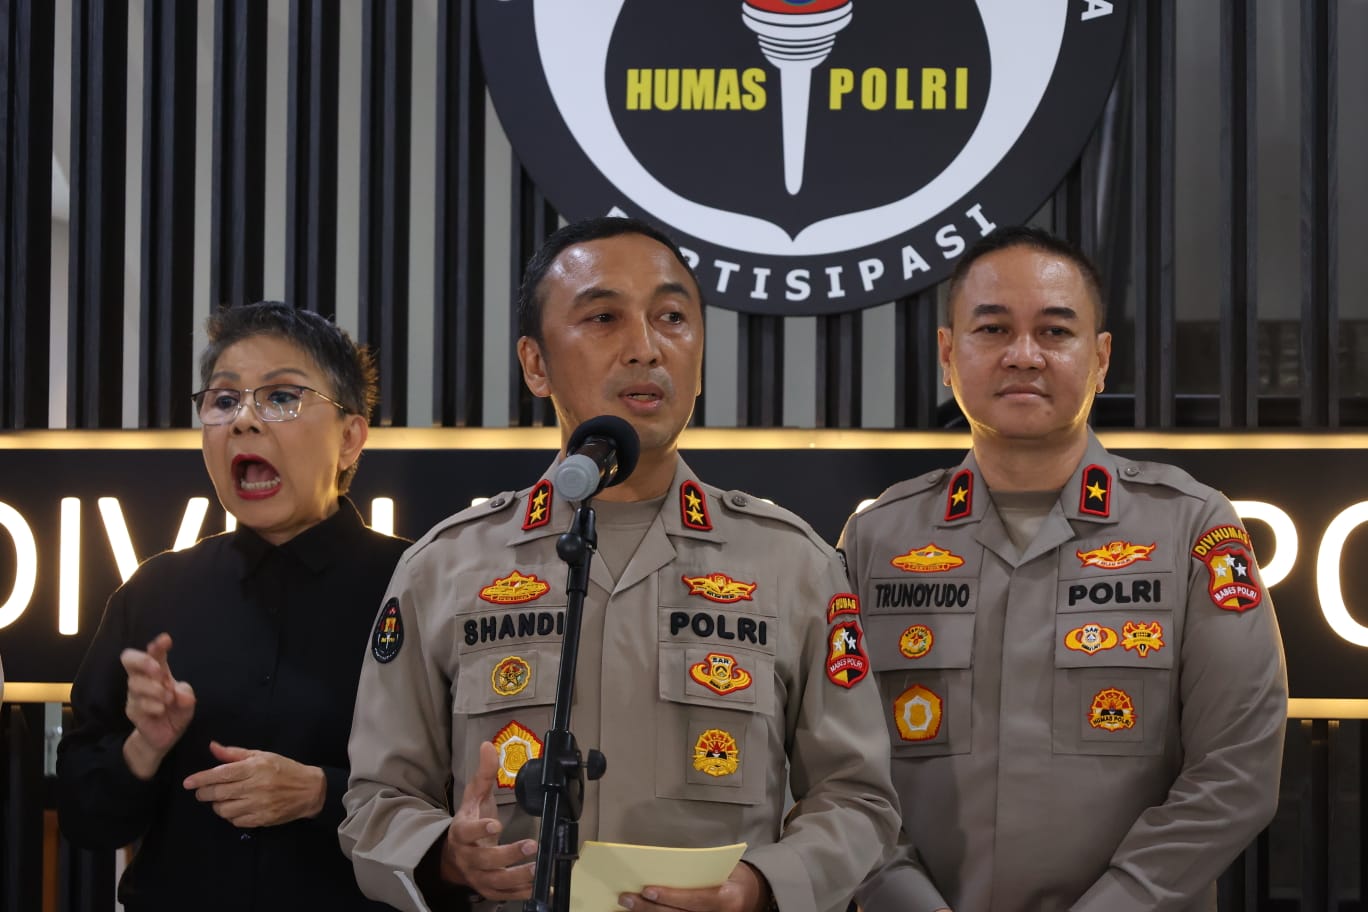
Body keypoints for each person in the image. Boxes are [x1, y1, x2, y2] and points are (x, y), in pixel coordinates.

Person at [341, 217, 900, 912]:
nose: (645, 348)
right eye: (604, 318)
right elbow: (376, 800)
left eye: (672, 318)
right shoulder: (444, 568)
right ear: (535, 363)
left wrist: (761, 887)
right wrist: (445, 856)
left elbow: (858, 800)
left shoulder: (793, 565)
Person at [842, 226, 1288, 912]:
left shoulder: (1192, 527)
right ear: (948, 354)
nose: (1024, 355)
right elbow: (837, 768)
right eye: (993, 329)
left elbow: (1237, 770)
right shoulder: (877, 539)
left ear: (1100, 359)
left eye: (1055, 332)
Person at [57, 302, 410, 911]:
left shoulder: (416, 585)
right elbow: (85, 819)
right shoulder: (154, 592)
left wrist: (322, 795)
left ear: (350, 437)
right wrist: (145, 747)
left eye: (281, 397)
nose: (243, 420)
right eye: (223, 401)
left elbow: (464, 800)